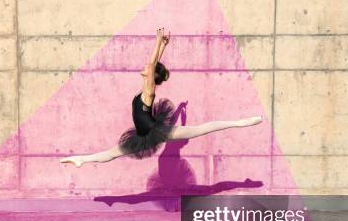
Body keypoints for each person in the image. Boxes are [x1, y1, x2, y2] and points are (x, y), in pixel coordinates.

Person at [60, 28, 262, 168]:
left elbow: (152, 63)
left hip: (155, 131)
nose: (145, 68)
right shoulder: (144, 90)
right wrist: (163, 46)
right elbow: (153, 65)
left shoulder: (149, 90)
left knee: (203, 128)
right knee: (113, 153)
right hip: (142, 135)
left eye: (148, 69)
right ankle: (81, 160)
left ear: (151, 75)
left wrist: (157, 43)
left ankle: (241, 122)